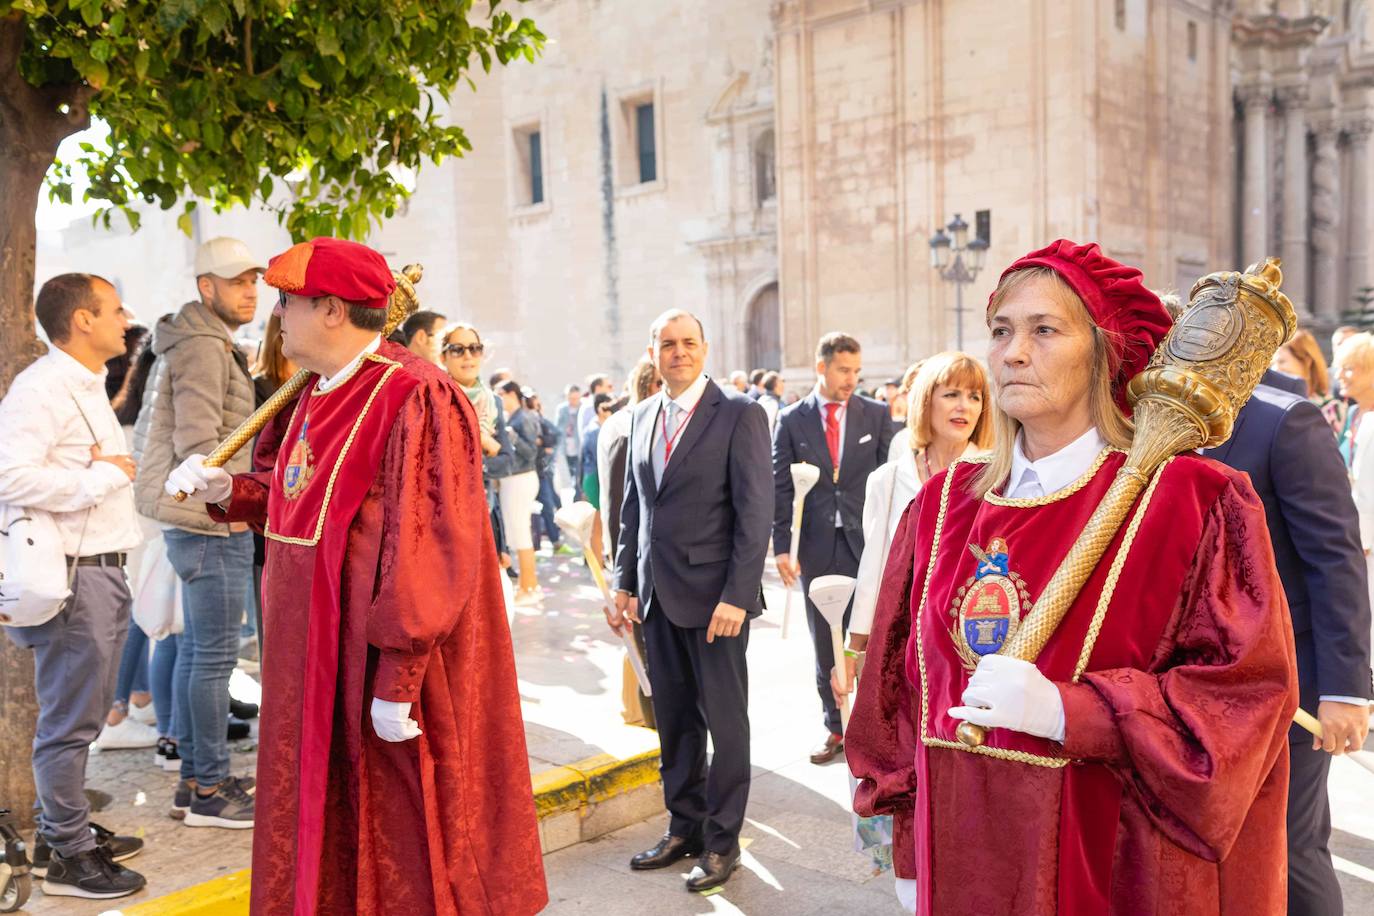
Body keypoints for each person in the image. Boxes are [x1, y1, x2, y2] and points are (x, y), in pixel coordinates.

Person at [848, 239, 1298, 914]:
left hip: (1115, 867)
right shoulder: (942, 506)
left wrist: (1071, 711)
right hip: (961, 859)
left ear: (1105, 352)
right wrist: (910, 847)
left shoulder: (1194, 500)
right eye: (1001, 330)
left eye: (1044, 329)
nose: (1012, 352)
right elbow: (894, 695)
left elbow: (1243, 703)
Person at [166, 237, 546, 914]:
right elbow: (292, 506)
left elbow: (433, 545)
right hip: (306, 657)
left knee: (398, 831)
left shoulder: (416, 394)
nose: (277, 316)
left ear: (334, 310)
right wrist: (226, 489)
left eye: (289, 301)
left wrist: (397, 679)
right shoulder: (311, 390)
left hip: (371, 664)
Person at [609, 309, 773, 892]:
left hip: (716, 605)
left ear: (706, 349)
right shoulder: (641, 416)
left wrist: (736, 595)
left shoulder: (739, 415)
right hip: (656, 600)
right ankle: (685, 827)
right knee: (674, 724)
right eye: (667, 344)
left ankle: (724, 842)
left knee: (726, 727)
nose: (678, 352)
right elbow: (633, 511)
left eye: (688, 343)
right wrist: (624, 584)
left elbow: (756, 514)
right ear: (652, 353)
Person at [1204, 366, 1372, 916]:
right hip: (1189, 685)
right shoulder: (1134, 421)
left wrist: (1346, 691)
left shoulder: (1282, 420)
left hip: (1286, 688)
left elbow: (1334, 558)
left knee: (1291, 853)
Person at [0, 273, 147, 898]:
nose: (126, 317)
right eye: (114, 308)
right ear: (82, 320)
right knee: (71, 722)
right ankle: (67, 853)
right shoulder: (42, 388)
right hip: (74, 578)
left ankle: (63, 829)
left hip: (98, 571)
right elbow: (8, 477)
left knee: (79, 717)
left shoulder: (82, 383)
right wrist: (98, 480)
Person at [132, 236, 262, 829]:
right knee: (212, 658)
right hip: (209, 522)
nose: (250, 292)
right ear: (205, 287)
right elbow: (198, 447)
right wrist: (232, 502)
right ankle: (211, 789)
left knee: (194, 654)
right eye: (237, 282)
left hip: (193, 521)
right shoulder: (205, 347)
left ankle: (193, 781)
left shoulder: (197, 340)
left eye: (254, 281)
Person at [772, 332, 895, 763]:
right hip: (816, 546)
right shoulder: (790, 420)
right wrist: (783, 546)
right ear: (821, 368)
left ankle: (876, 725)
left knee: (873, 636)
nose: (851, 379)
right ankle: (836, 727)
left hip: (868, 544)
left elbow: (889, 479)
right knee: (825, 640)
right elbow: (780, 486)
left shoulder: (876, 415)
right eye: (844, 370)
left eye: (857, 371)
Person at [598, 359, 663, 728]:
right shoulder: (629, 428)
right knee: (647, 659)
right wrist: (626, 581)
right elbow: (621, 512)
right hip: (640, 570)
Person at [497, 379, 544, 604]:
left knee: (521, 532)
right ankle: (527, 585)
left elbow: (532, 452)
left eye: (501, 395)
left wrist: (511, 436)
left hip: (521, 478)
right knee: (517, 533)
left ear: (510, 394)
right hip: (513, 479)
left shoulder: (522, 417)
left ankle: (529, 587)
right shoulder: (513, 417)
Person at [1275, 328, 1350, 444]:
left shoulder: (1331, 410)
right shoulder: (1276, 405)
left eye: (1282, 362)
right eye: (1273, 363)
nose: (1275, 369)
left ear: (1307, 361)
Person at [527, 391, 566, 553]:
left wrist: (541, 441)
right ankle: (532, 546)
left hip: (540, 470)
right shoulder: (521, 418)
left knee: (548, 505)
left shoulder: (539, 419)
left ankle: (555, 541)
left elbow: (553, 436)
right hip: (526, 471)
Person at [556, 383, 584, 497]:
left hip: (579, 448)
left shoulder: (583, 407)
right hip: (565, 447)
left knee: (577, 478)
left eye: (576, 398)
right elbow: (558, 428)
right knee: (567, 479)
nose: (573, 401)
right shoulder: (562, 409)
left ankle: (576, 501)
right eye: (571, 398)